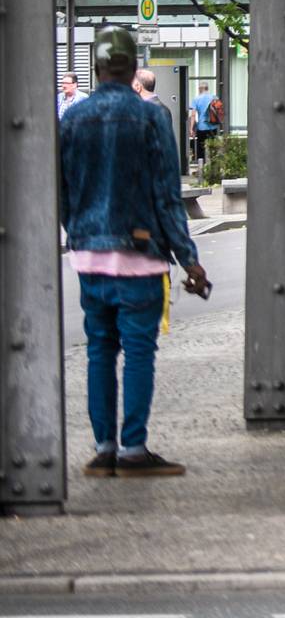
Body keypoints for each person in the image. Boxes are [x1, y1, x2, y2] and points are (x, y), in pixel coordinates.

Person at [61, 27, 207, 476]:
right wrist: (188, 257)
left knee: (100, 349)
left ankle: (104, 450)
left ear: (98, 67)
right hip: (140, 254)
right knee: (140, 349)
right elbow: (166, 194)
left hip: (88, 255)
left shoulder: (72, 118)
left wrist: (80, 232)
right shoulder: (150, 119)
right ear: (131, 69)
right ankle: (134, 450)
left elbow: (62, 192)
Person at [188, 84, 223, 166]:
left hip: (201, 128)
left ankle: (202, 169)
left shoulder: (196, 99)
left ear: (200, 89)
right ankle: (214, 168)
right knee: (213, 148)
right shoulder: (214, 98)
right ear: (207, 88)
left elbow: (193, 115)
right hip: (213, 127)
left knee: (201, 150)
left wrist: (191, 128)